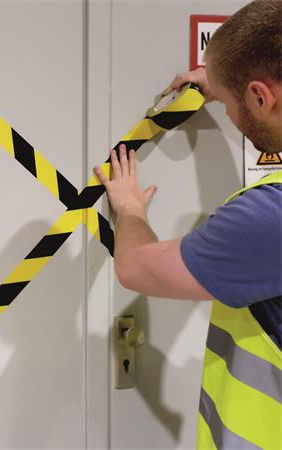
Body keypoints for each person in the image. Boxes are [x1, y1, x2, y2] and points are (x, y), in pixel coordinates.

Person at [93, 1, 281, 449]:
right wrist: (223, 81)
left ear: (261, 96)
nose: (228, 116)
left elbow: (135, 267)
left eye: (232, 104)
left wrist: (131, 210)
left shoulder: (267, 216)